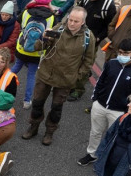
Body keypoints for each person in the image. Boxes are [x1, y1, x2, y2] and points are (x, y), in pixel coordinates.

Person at [22, 7, 95, 145]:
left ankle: (49, 131)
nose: (71, 23)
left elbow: (89, 60)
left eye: (76, 21)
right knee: (37, 103)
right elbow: (38, 47)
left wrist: (77, 77)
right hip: (46, 74)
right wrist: (44, 38)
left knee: (56, 108)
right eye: (70, 20)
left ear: (83, 22)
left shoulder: (88, 37)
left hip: (65, 80)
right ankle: (34, 126)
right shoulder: (58, 28)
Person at [77, 37, 131, 166]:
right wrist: (95, 99)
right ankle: (92, 154)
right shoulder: (111, 64)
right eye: (120, 52)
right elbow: (101, 82)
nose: (122, 55)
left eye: (126, 53)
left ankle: (105, 159)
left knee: (114, 137)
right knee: (95, 132)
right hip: (100, 105)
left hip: (119, 112)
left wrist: (128, 114)